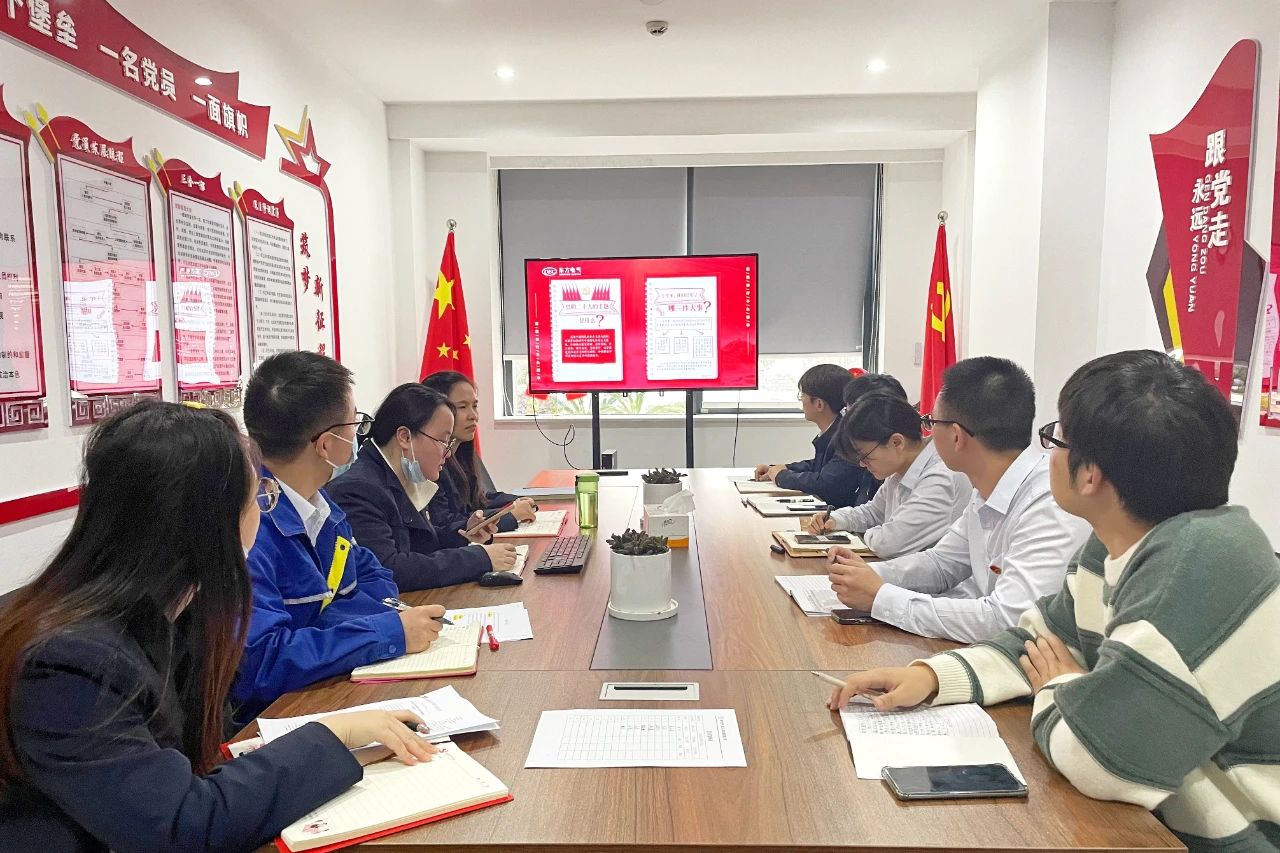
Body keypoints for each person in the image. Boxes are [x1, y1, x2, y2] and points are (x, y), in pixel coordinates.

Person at [828, 351, 1280, 853]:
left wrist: (1061, 686)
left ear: (1090, 476)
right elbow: (1033, 639)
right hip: (1152, 820)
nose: (1045, 456)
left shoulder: (1199, 568)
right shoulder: (1112, 544)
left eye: (1055, 440)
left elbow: (1101, 759)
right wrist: (933, 678)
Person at [0, 401, 438, 853]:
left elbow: (207, 750)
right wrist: (334, 737)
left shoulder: (176, 613)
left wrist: (340, 742)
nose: (263, 513)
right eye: (258, 499)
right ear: (207, 523)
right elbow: (185, 826)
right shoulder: (69, 664)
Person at [235, 352, 448, 723]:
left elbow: (375, 576)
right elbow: (264, 663)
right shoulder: (250, 528)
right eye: (354, 422)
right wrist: (382, 631)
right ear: (326, 444)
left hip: (329, 687)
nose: (358, 434)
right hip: (277, 719)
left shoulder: (320, 504)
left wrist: (329, 630)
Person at [826, 356, 1088, 643]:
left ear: (956, 436)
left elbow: (1008, 620)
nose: (926, 433)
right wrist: (866, 574)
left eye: (931, 421)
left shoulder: (1049, 501)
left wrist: (881, 597)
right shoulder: (986, 487)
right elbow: (942, 564)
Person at [328, 383, 518, 590]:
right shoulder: (358, 489)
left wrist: (465, 536)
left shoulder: (399, 475)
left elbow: (421, 544)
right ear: (404, 437)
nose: (448, 453)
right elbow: (388, 568)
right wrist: (478, 559)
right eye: (443, 441)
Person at [808, 392, 971, 558]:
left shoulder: (940, 477)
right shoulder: (900, 468)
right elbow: (873, 512)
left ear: (896, 442)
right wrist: (836, 519)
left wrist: (864, 535)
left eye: (865, 456)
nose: (862, 464)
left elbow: (890, 544)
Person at [422, 370, 536, 536]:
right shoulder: (429, 463)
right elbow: (445, 524)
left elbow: (477, 501)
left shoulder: (461, 453)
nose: (473, 416)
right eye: (462, 407)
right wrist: (510, 516)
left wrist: (514, 502)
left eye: (474, 406)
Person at [753, 364, 876, 508]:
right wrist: (781, 468)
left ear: (819, 404)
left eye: (802, 396)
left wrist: (781, 476)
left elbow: (824, 483)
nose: (801, 401)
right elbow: (818, 466)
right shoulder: (835, 430)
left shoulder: (848, 439)